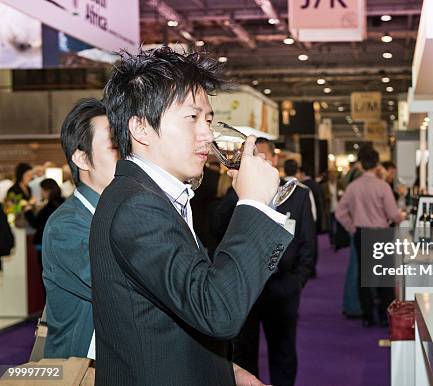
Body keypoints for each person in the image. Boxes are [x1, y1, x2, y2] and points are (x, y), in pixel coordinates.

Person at [90, 47, 293, 386]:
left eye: (209, 120)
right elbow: (217, 309)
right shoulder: (137, 206)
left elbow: (179, 309)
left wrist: (228, 372)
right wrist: (254, 204)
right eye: (192, 118)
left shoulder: (153, 196)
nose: (207, 134)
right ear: (141, 128)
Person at [228, 141, 316, 386]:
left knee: (284, 354)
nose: (261, 162)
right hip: (246, 289)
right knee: (244, 355)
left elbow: (308, 243)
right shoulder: (237, 190)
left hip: (283, 286)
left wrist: (297, 281)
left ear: (274, 160)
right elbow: (217, 227)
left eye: (265, 157)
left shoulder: (297, 194)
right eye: (255, 157)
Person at [41, 98, 118, 358]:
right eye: (115, 147)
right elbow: (122, 291)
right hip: (84, 372)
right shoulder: (66, 227)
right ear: (82, 158)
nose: (127, 157)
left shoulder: (118, 214)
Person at [335, 145, 404, 326]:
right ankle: (384, 316)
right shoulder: (383, 186)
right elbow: (393, 215)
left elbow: (340, 212)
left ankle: (367, 316)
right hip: (381, 233)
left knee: (363, 276)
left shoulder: (353, 187)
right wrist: (400, 216)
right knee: (384, 277)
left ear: (361, 165)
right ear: (377, 164)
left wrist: (352, 228)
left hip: (361, 233)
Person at [24, 178, 64, 267]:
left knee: (45, 272)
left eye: (42, 190)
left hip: (45, 244)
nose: (41, 193)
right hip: (59, 243)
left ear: (47, 191)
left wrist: (28, 211)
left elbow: (36, 224)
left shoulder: (49, 207)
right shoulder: (63, 202)